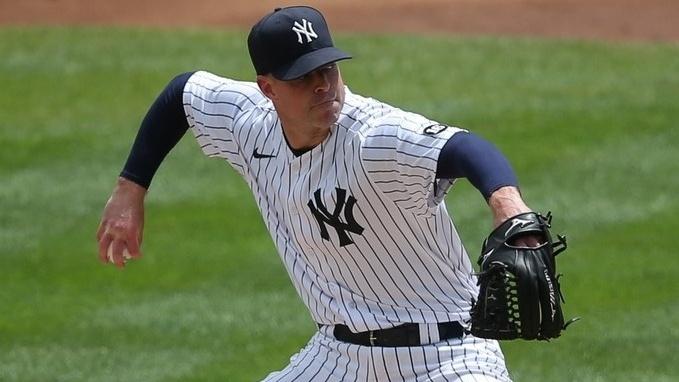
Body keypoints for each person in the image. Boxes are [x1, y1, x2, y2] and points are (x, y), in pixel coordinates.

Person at [97, 6, 539, 381]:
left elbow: (465, 148)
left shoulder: (375, 136)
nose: (323, 86)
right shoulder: (248, 122)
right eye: (303, 77)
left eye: (327, 69)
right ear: (267, 88)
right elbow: (182, 93)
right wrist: (129, 188)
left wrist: (507, 203)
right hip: (339, 357)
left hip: (448, 356)